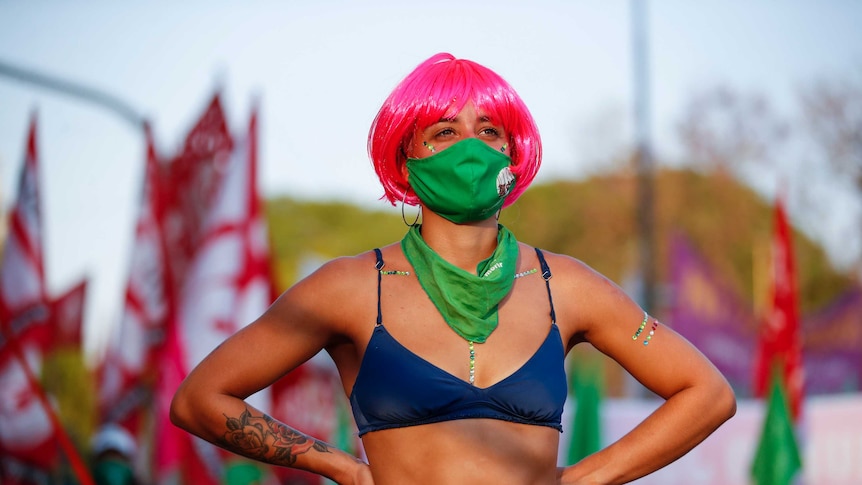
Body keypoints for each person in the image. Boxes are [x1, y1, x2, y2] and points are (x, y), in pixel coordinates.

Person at [171, 52, 736, 485]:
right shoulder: (347, 288)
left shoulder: (565, 285)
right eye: (445, 132)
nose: (472, 148)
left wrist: (585, 477)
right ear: (406, 159)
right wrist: (340, 466)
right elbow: (200, 399)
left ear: (511, 160)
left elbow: (707, 393)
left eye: (489, 131)